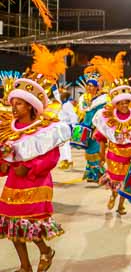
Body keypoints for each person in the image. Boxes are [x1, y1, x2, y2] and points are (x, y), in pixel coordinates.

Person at [0, 44, 71, 272]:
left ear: (31, 106)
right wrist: (3, 163)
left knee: (32, 226)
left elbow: (52, 157)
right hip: (13, 183)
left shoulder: (45, 130)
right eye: (12, 104)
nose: (14, 108)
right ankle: (25, 266)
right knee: (12, 227)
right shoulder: (8, 129)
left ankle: (46, 251)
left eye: (19, 104)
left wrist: (30, 168)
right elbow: (4, 159)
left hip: (36, 182)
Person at [92, 77, 131, 215]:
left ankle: (121, 205)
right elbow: (102, 137)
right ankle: (113, 196)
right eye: (120, 103)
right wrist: (101, 154)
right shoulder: (106, 117)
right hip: (115, 155)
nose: (124, 106)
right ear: (115, 104)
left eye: (126, 102)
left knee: (127, 182)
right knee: (116, 180)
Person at [56, 86, 77, 170]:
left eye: (61, 94)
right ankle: (65, 160)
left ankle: (68, 160)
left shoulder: (67, 105)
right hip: (61, 126)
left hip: (66, 126)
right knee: (61, 145)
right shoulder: (63, 104)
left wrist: (74, 127)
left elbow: (73, 116)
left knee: (65, 145)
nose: (60, 95)